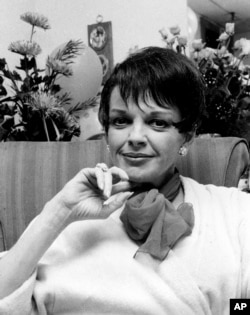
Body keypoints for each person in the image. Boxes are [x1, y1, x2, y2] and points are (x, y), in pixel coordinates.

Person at [0, 46, 250, 315]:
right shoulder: (67, 218)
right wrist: (58, 212)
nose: (135, 136)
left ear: (187, 136)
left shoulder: (234, 210)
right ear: (106, 133)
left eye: (158, 122)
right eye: (121, 121)